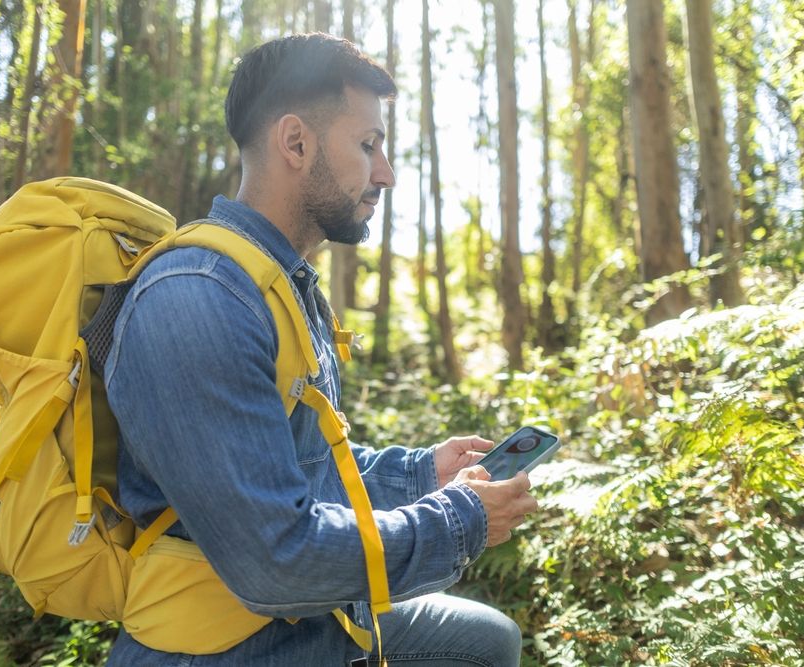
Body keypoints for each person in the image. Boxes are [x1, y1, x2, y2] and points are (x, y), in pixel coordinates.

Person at [104, 33, 539, 666]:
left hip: (301, 621)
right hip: (224, 644)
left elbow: (299, 462)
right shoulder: (197, 297)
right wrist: (461, 519)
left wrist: (423, 474)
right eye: (368, 146)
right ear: (296, 143)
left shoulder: (280, 285)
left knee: (486, 641)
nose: (384, 172)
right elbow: (274, 561)